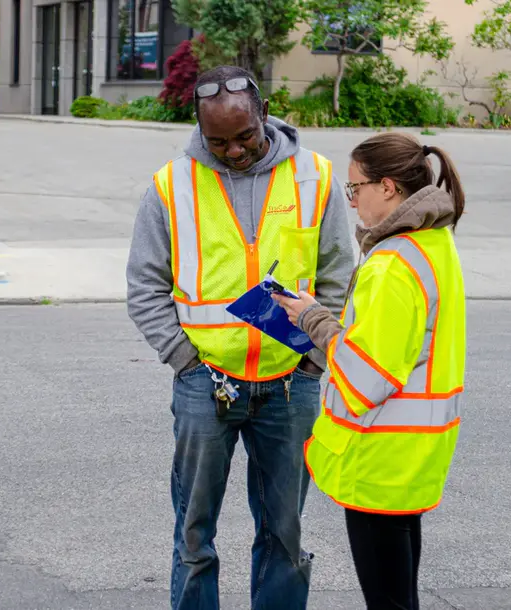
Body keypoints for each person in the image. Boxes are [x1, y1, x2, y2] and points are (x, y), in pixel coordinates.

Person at [126, 65, 354, 610]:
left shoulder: (315, 177)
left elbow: (339, 274)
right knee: (194, 534)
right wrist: (185, 362)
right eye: (218, 141)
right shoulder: (170, 185)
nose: (232, 150)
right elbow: (144, 286)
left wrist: (314, 363)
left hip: (291, 382)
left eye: (244, 136)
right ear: (199, 129)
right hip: (204, 382)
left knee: (284, 532)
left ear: (265, 115)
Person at [273, 132, 467, 610]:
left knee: (389, 602)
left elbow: (365, 376)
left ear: (387, 188)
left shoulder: (391, 264)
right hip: (415, 452)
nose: (352, 200)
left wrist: (312, 319)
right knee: (401, 597)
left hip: (379, 456)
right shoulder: (434, 244)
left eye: (355, 188)